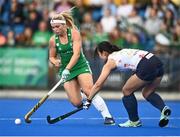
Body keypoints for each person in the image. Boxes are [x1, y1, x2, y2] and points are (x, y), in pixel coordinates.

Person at [48, 9, 115, 125]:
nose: (55, 30)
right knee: (77, 103)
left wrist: (67, 69)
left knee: (90, 90)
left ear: (64, 25)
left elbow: (77, 54)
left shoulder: (74, 33)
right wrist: (55, 62)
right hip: (66, 69)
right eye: (53, 27)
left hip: (80, 66)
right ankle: (82, 93)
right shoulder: (53, 40)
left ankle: (107, 116)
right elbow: (51, 57)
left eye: (57, 26)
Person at [83, 41, 171, 127]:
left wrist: (89, 100)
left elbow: (98, 84)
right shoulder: (122, 52)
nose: (99, 57)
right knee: (147, 93)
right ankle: (163, 109)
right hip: (157, 62)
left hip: (146, 65)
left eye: (99, 55)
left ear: (104, 53)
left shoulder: (111, 61)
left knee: (126, 91)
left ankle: (134, 121)